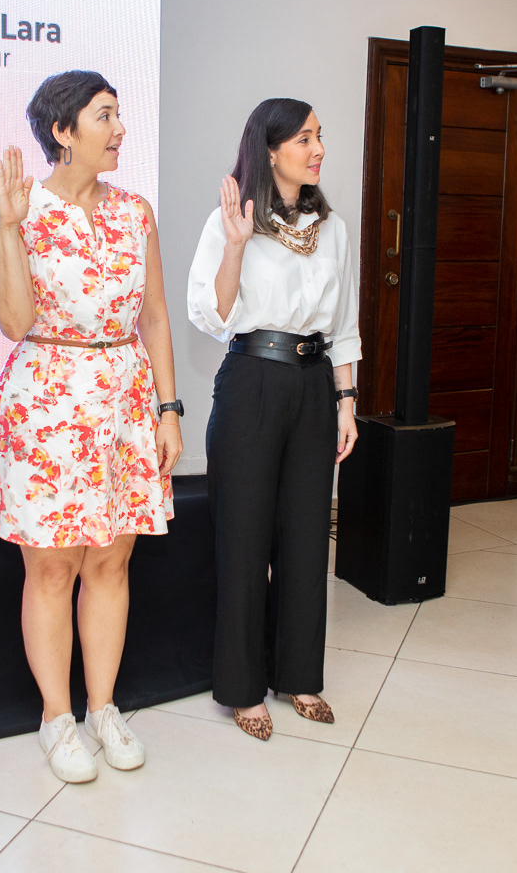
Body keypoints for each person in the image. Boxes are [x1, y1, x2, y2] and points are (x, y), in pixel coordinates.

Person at [0, 70, 181, 783]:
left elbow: (154, 317)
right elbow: (13, 321)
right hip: (48, 402)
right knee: (53, 567)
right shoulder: (21, 207)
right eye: (104, 116)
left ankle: (102, 708)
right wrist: (7, 227)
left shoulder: (135, 212)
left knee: (112, 562)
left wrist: (168, 410)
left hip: (124, 400)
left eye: (118, 115)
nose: (120, 129)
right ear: (63, 131)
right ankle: (56, 717)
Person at [186, 98, 361, 740]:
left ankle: (299, 676)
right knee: (244, 539)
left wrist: (347, 401)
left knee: (308, 536)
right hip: (252, 380)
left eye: (320, 137)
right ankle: (242, 688)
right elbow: (212, 315)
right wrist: (236, 247)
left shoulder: (332, 228)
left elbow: (345, 323)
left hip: (316, 384)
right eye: (304, 138)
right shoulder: (231, 220)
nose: (318, 150)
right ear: (270, 148)